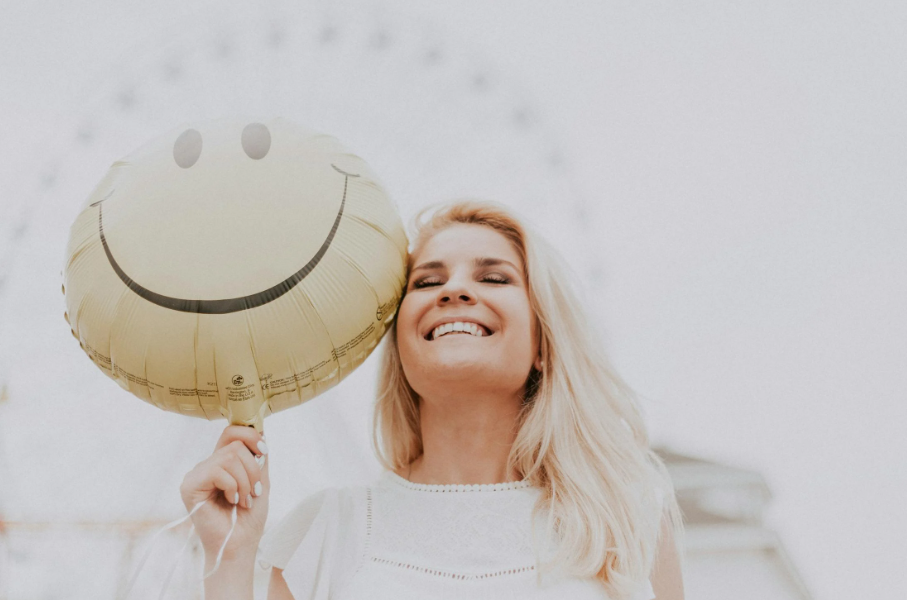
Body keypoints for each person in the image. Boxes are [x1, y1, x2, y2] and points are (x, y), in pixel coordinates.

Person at [180, 200, 685, 599]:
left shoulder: (625, 521)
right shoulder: (329, 533)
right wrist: (228, 558)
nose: (455, 290)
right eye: (428, 281)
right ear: (399, 345)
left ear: (544, 347)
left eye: (493, 277)